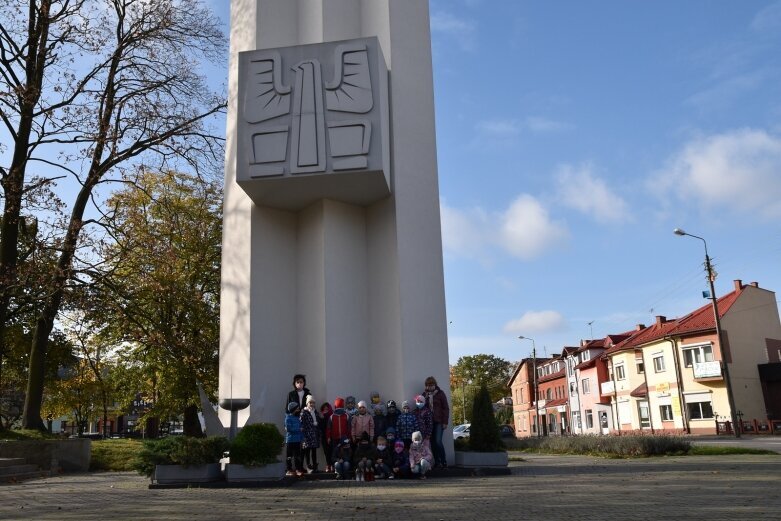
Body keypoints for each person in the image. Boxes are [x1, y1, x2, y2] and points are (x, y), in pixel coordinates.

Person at [424, 376, 450, 468]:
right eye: (427, 385)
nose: (429, 387)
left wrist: (445, 422)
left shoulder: (440, 393)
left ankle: (444, 461)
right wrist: (425, 398)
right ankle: (437, 462)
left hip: (439, 421)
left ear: (435, 385)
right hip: (429, 423)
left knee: (438, 441)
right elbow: (421, 406)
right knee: (432, 443)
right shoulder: (424, 395)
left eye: (431, 385)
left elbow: (446, 408)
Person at [326, 397, 351, 464]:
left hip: (344, 438)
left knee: (345, 451)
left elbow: (349, 427)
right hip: (335, 438)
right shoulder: (332, 416)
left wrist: (349, 437)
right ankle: (336, 465)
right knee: (335, 452)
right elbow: (328, 428)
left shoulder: (346, 415)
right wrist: (328, 437)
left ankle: (345, 465)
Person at [300, 395, 320, 473]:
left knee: (314, 451)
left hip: (314, 434)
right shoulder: (304, 412)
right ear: (307, 403)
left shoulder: (315, 411)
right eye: (310, 403)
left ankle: (315, 466)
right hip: (307, 434)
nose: (312, 404)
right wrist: (302, 432)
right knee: (307, 451)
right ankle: (308, 466)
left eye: (313, 403)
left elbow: (318, 421)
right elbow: (301, 422)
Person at [285, 402, 304, 476]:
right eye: (297, 409)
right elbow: (289, 429)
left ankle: (298, 470)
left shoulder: (297, 418)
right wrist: (299, 429)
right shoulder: (288, 418)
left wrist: (302, 439)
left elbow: (301, 429)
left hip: (297, 440)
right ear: (293, 410)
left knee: (297, 456)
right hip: (290, 440)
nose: (298, 410)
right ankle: (289, 470)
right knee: (289, 456)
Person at [319, 401, 334, 473]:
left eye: (327, 409)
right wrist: (322, 418)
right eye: (324, 409)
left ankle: (332, 465)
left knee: (332, 451)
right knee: (326, 452)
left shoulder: (332, 416)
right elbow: (320, 427)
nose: (325, 411)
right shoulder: (321, 417)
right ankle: (328, 465)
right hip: (324, 437)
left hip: (332, 436)